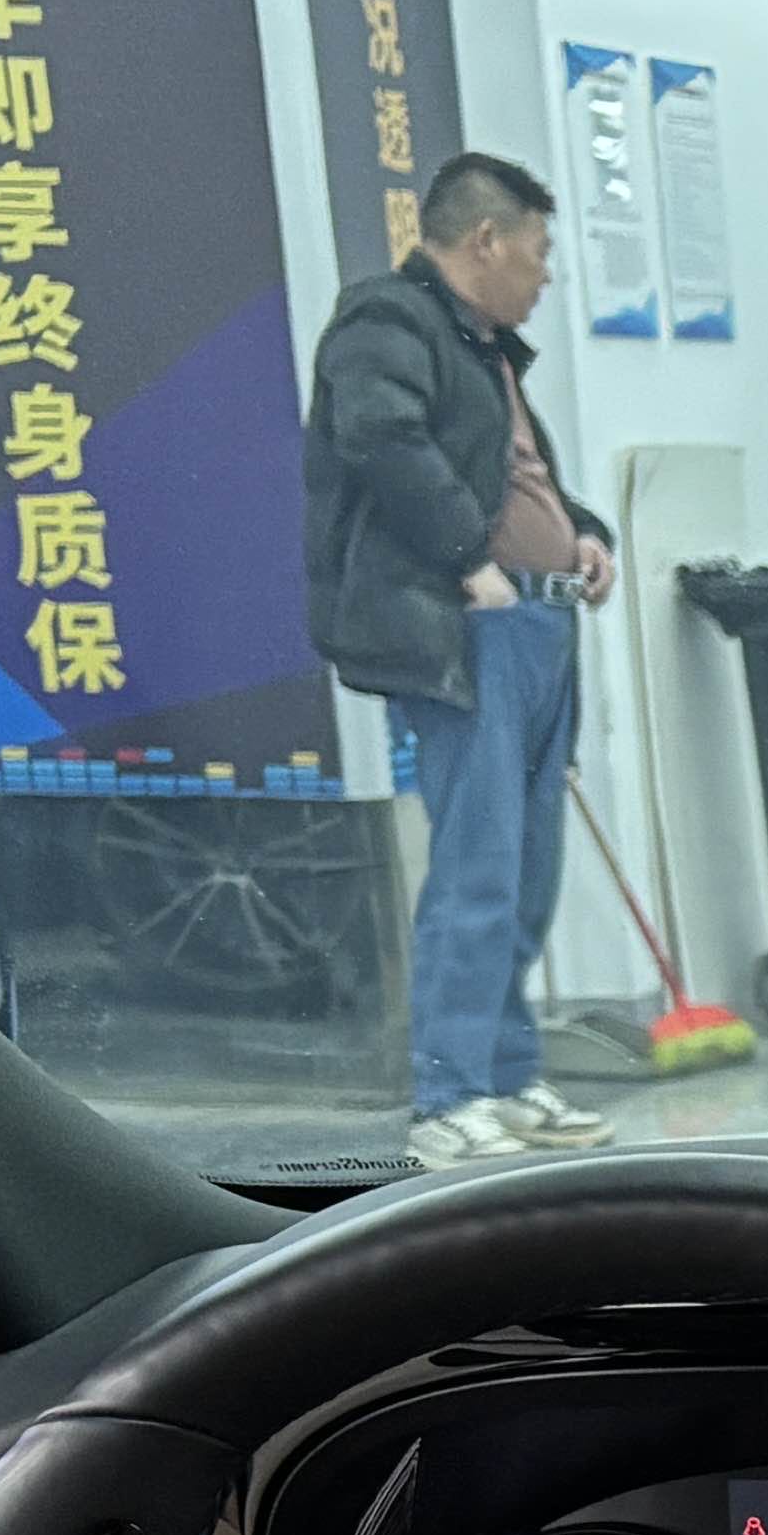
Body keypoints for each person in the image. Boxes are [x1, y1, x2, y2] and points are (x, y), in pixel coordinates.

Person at [304, 149, 619, 1165]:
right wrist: (469, 564)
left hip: (539, 626)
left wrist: (582, 532)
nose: (546, 274)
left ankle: (508, 1075)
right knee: (478, 867)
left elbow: (512, 477)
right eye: (538, 251)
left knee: (528, 870)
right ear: (485, 240)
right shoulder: (387, 321)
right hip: (471, 629)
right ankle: (447, 1098)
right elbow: (383, 440)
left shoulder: (485, 350)